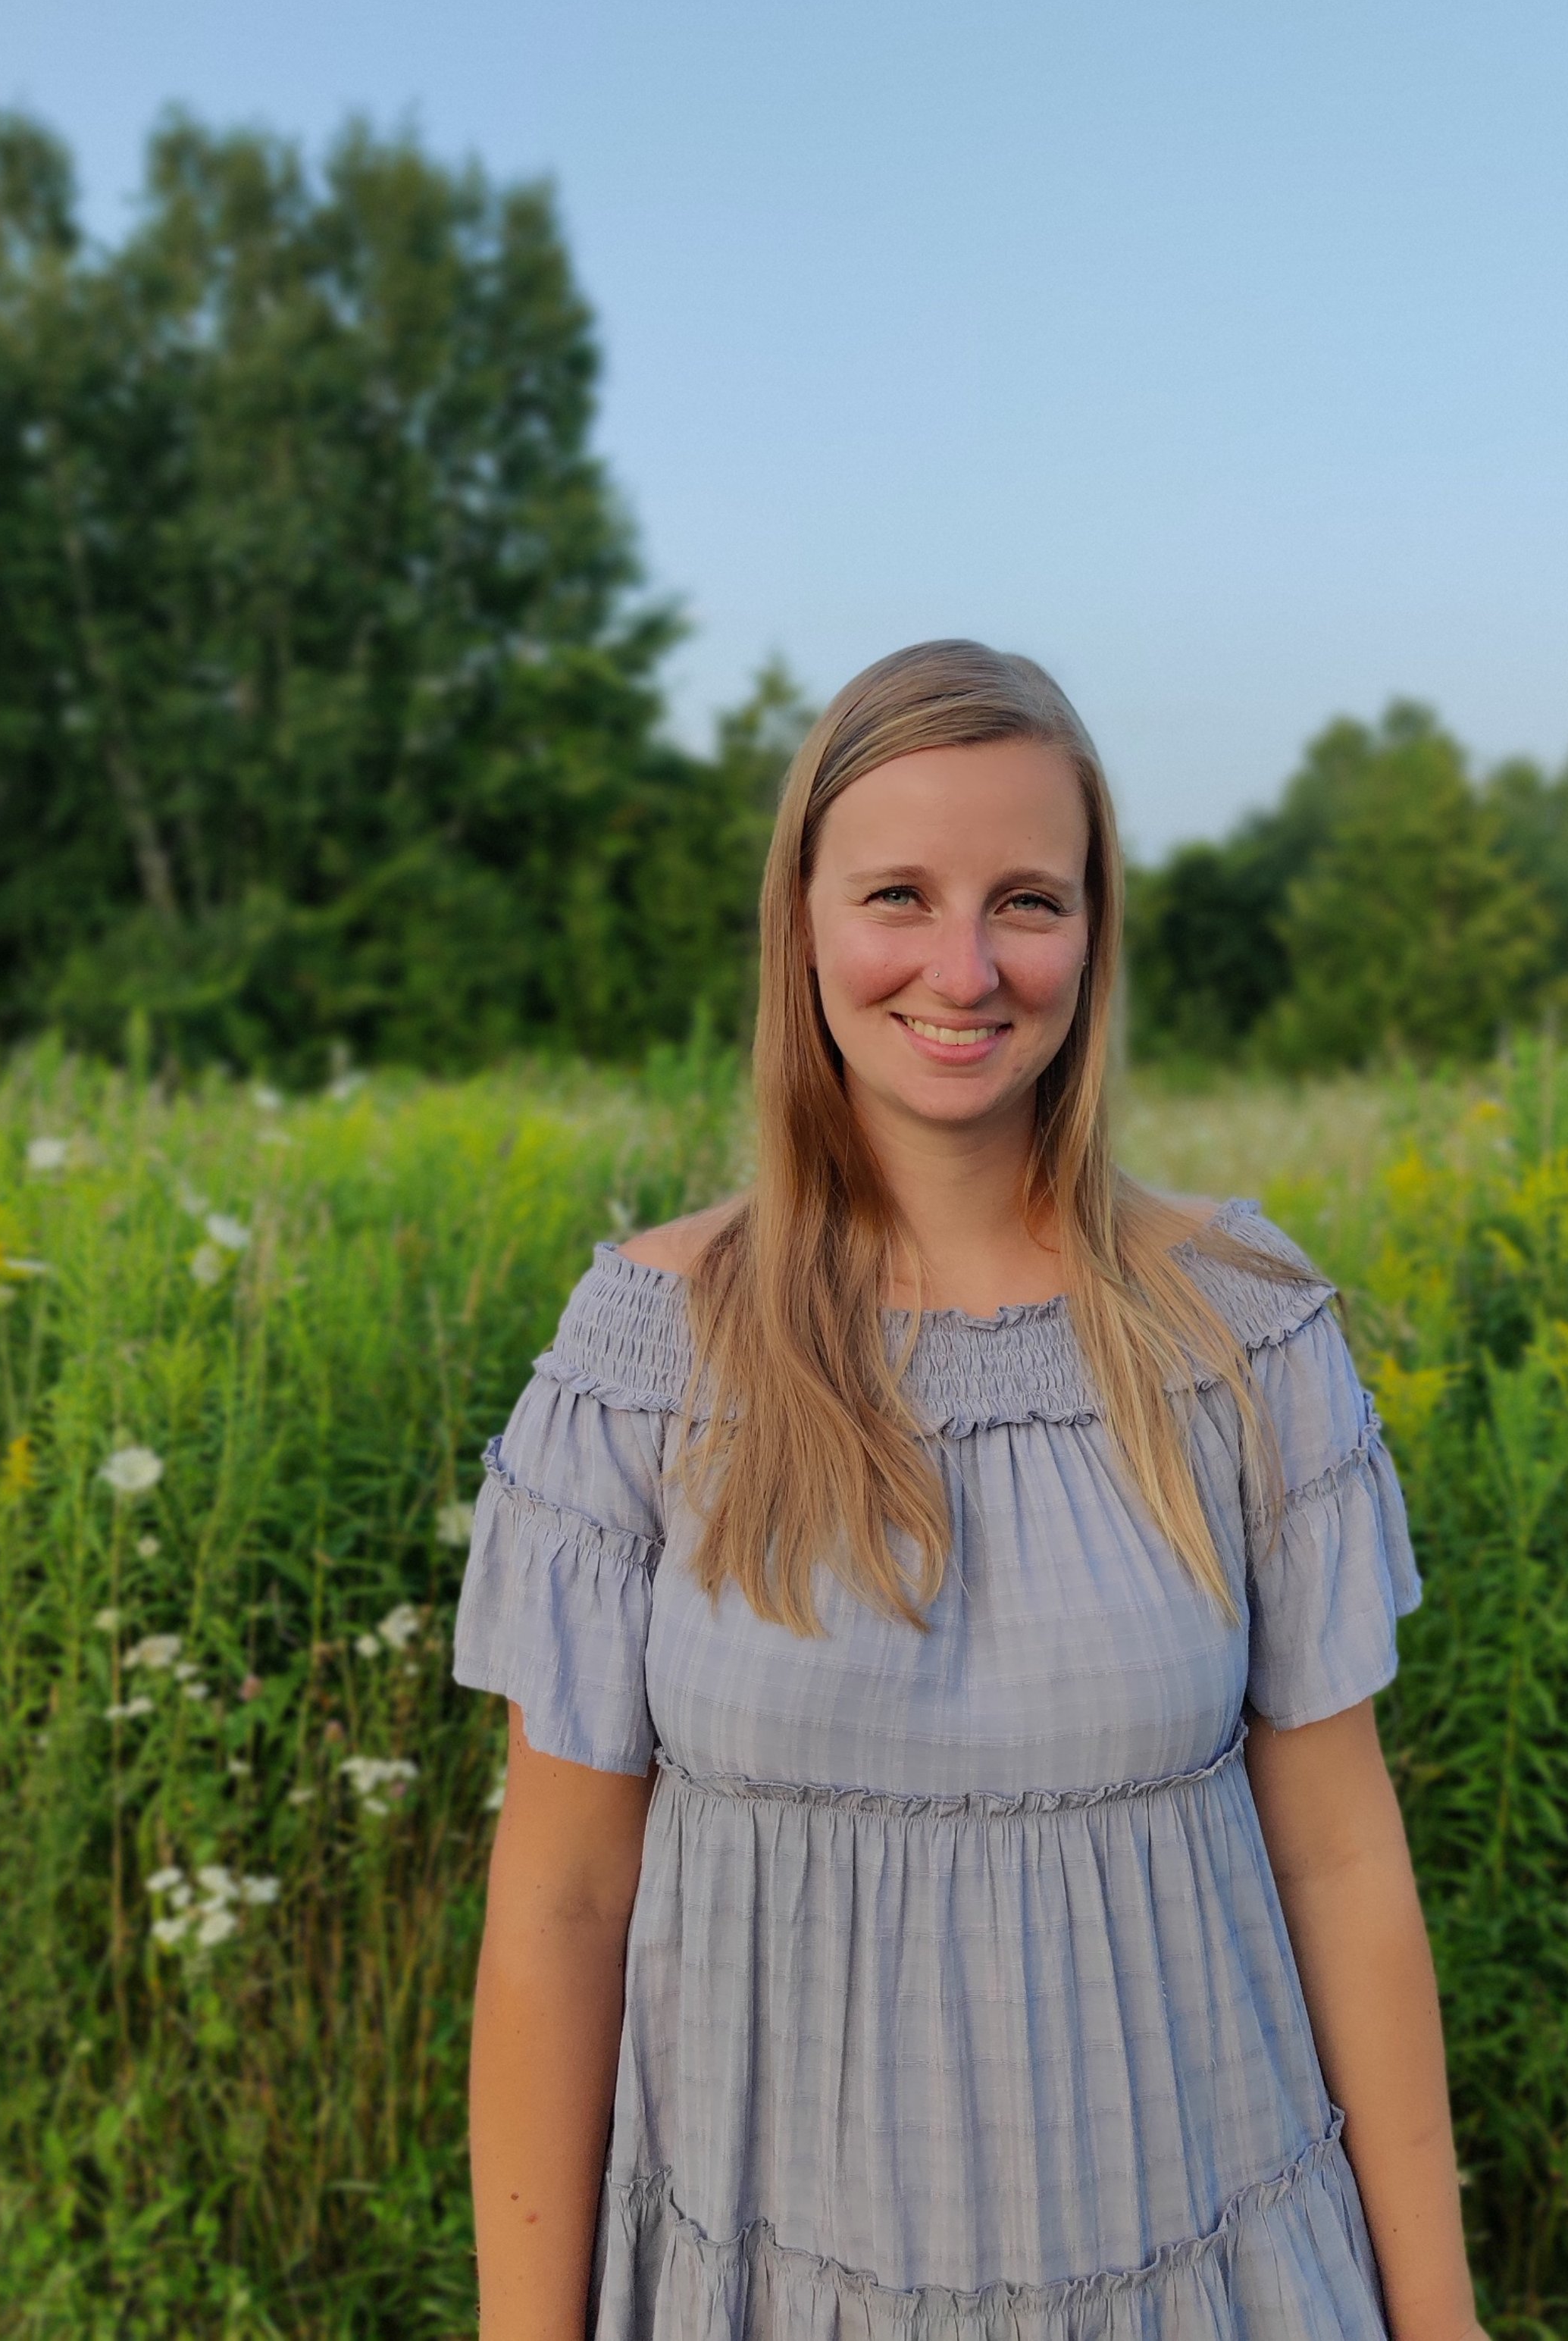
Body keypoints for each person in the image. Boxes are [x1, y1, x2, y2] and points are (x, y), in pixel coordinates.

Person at [453, 639, 1488, 2341]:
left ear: (1094, 930)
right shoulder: (650, 1345)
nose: (963, 964)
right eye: (897, 894)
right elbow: (559, 1905)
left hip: (1203, 2270)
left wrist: (1436, 2317)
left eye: (1026, 897)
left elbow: (1338, 1854)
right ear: (800, 920)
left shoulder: (1237, 1325)